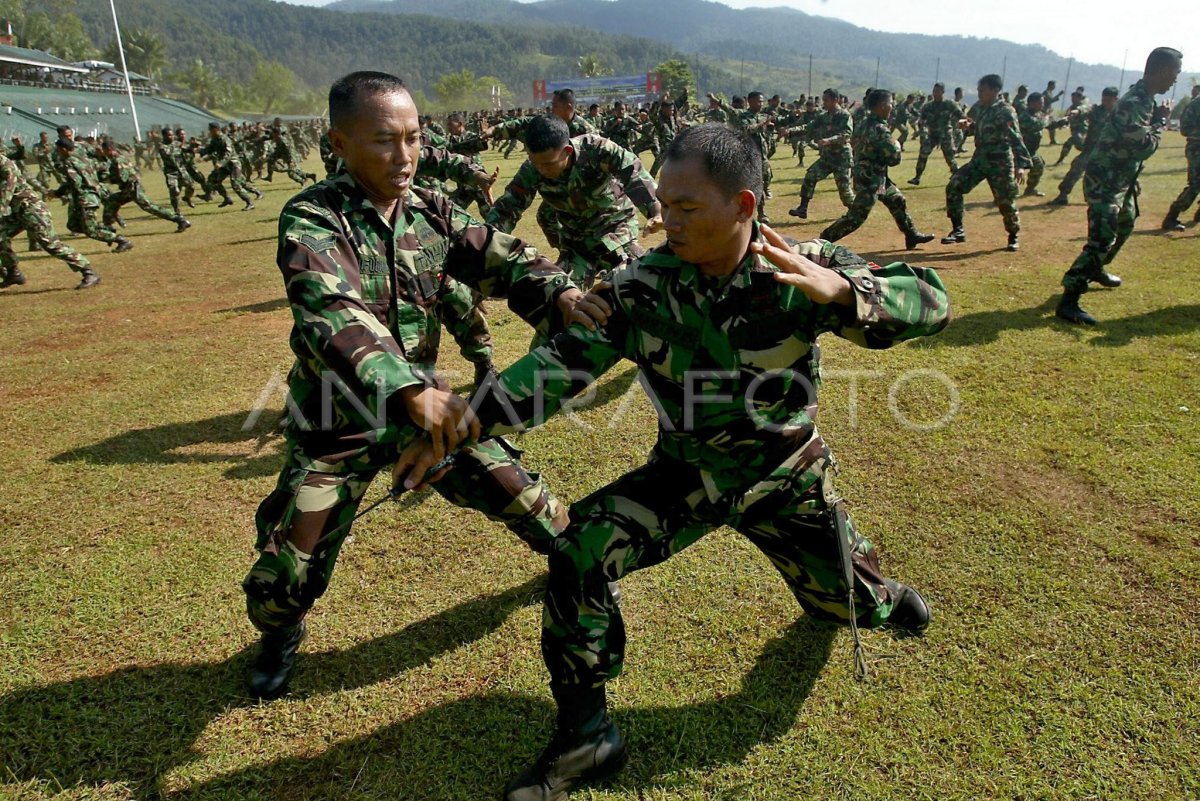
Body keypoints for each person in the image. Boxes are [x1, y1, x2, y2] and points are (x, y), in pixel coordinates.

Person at [436, 123, 949, 800]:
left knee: (845, 605)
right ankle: (589, 737)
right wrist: (461, 421)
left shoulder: (801, 267)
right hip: (686, 474)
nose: (665, 221)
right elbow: (556, 370)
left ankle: (867, 588)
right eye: (664, 204)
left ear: (743, 205)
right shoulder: (643, 284)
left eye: (685, 208)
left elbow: (933, 301)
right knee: (579, 552)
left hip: (785, 472)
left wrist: (847, 293)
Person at [241, 71, 599, 700]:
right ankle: (280, 632)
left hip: (427, 411)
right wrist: (410, 391)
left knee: (534, 506)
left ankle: (581, 572)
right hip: (339, 421)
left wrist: (561, 290)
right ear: (340, 143)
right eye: (384, 140)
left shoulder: (430, 208)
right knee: (283, 579)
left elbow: (503, 255)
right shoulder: (313, 217)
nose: (403, 155)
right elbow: (331, 311)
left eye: (412, 137)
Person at [1056, 48, 1182, 325]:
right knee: (1102, 238)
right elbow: (1143, 146)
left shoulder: (1147, 100)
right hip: (1106, 180)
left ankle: (1096, 268)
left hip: (1122, 180)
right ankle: (1069, 299)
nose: (1174, 80)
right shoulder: (1134, 102)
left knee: (1126, 224)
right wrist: (1161, 121)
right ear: (1161, 71)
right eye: (1174, 73)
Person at [485, 115, 662, 289]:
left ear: (567, 152)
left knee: (642, 286)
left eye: (548, 164)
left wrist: (656, 212)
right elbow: (507, 207)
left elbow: (633, 173)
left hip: (615, 232)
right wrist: (485, 248)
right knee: (559, 295)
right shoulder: (533, 169)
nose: (541, 169)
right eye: (534, 162)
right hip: (576, 243)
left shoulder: (597, 150)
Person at [820, 89, 934, 249]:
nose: (892, 107)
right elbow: (894, 159)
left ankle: (911, 235)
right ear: (881, 106)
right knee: (856, 217)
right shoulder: (880, 129)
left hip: (874, 177)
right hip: (870, 180)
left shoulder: (865, 123)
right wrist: (897, 146)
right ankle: (823, 240)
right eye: (890, 104)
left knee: (897, 199)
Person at [941, 74, 1030, 251]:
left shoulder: (1005, 110)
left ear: (995, 90)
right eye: (979, 90)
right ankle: (958, 230)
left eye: (983, 90)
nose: (979, 93)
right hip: (980, 160)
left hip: (1000, 163)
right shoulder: (979, 107)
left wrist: (1021, 165)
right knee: (954, 186)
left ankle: (1013, 235)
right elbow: (973, 124)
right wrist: (966, 125)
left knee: (1005, 201)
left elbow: (1015, 138)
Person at [0, 152, 100, 289]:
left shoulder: (6, 167)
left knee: (50, 244)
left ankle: (89, 272)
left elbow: (4, 197)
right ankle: (13, 273)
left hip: (32, 210)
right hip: (17, 212)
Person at [98, 138, 191, 234]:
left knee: (150, 207)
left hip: (133, 189)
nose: (103, 152)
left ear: (108, 149)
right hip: (128, 189)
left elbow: (122, 178)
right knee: (111, 201)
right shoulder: (117, 158)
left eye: (104, 150)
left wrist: (106, 178)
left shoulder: (118, 160)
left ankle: (180, 220)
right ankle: (108, 226)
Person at [788, 87, 855, 219]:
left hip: (842, 158)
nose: (824, 103)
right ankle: (803, 208)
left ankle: (856, 212)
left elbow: (846, 134)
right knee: (810, 176)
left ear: (836, 100)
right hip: (828, 157)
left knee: (844, 191)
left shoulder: (844, 115)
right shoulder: (823, 116)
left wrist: (829, 140)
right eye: (823, 100)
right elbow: (808, 127)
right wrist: (790, 131)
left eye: (826, 100)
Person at [1047, 87, 1119, 205]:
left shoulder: (1120, 113)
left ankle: (1112, 198)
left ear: (1115, 99)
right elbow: (1087, 109)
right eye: (1103, 100)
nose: (1105, 103)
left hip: (1111, 151)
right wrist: (1077, 111)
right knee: (1077, 167)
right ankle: (1063, 195)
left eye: (1108, 100)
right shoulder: (1097, 110)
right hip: (1091, 149)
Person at [1162, 83, 1200, 230]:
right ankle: (1172, 216)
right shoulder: (1196, 104)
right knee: (1196, 184)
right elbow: (1185, 128)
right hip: (1197, 148)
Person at [908, 83, 962, 185]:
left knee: (950, 157)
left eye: (937, 91)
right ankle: (917, 177)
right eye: (934, 91)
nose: (935, 93)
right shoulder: (928, 106)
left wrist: (963, 122)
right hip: (932, 134)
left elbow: (960, 115)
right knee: (923, 153)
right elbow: (922, 118)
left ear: (943, 92)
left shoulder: (949, 104)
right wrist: (921, 123)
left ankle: (957, 176)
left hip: (945, 134)